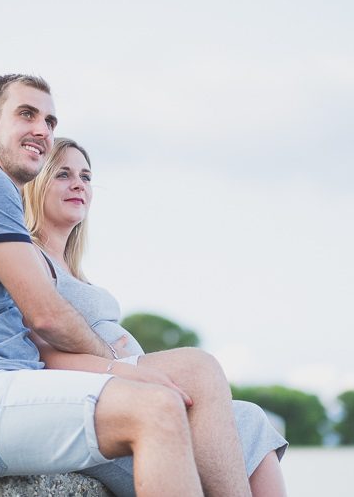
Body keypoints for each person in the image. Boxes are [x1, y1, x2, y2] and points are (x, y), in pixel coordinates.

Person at [0, 74, 252, 496]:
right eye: (26, 114)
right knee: (156, 409)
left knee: (200, 370)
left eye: (49, 120)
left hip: (10, 383)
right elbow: (45, 314)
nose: (42, 130)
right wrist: (119, 369)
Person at [22, 138, 288, 497]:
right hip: (99, 399)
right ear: (38, 184)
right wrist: (129, 371)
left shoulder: (73, 269)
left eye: (86, 177)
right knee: (198, 366)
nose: (79, 184)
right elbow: (41, 355)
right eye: (63, 174)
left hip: (124, 384)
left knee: (250, 419)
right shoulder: (30, 258)